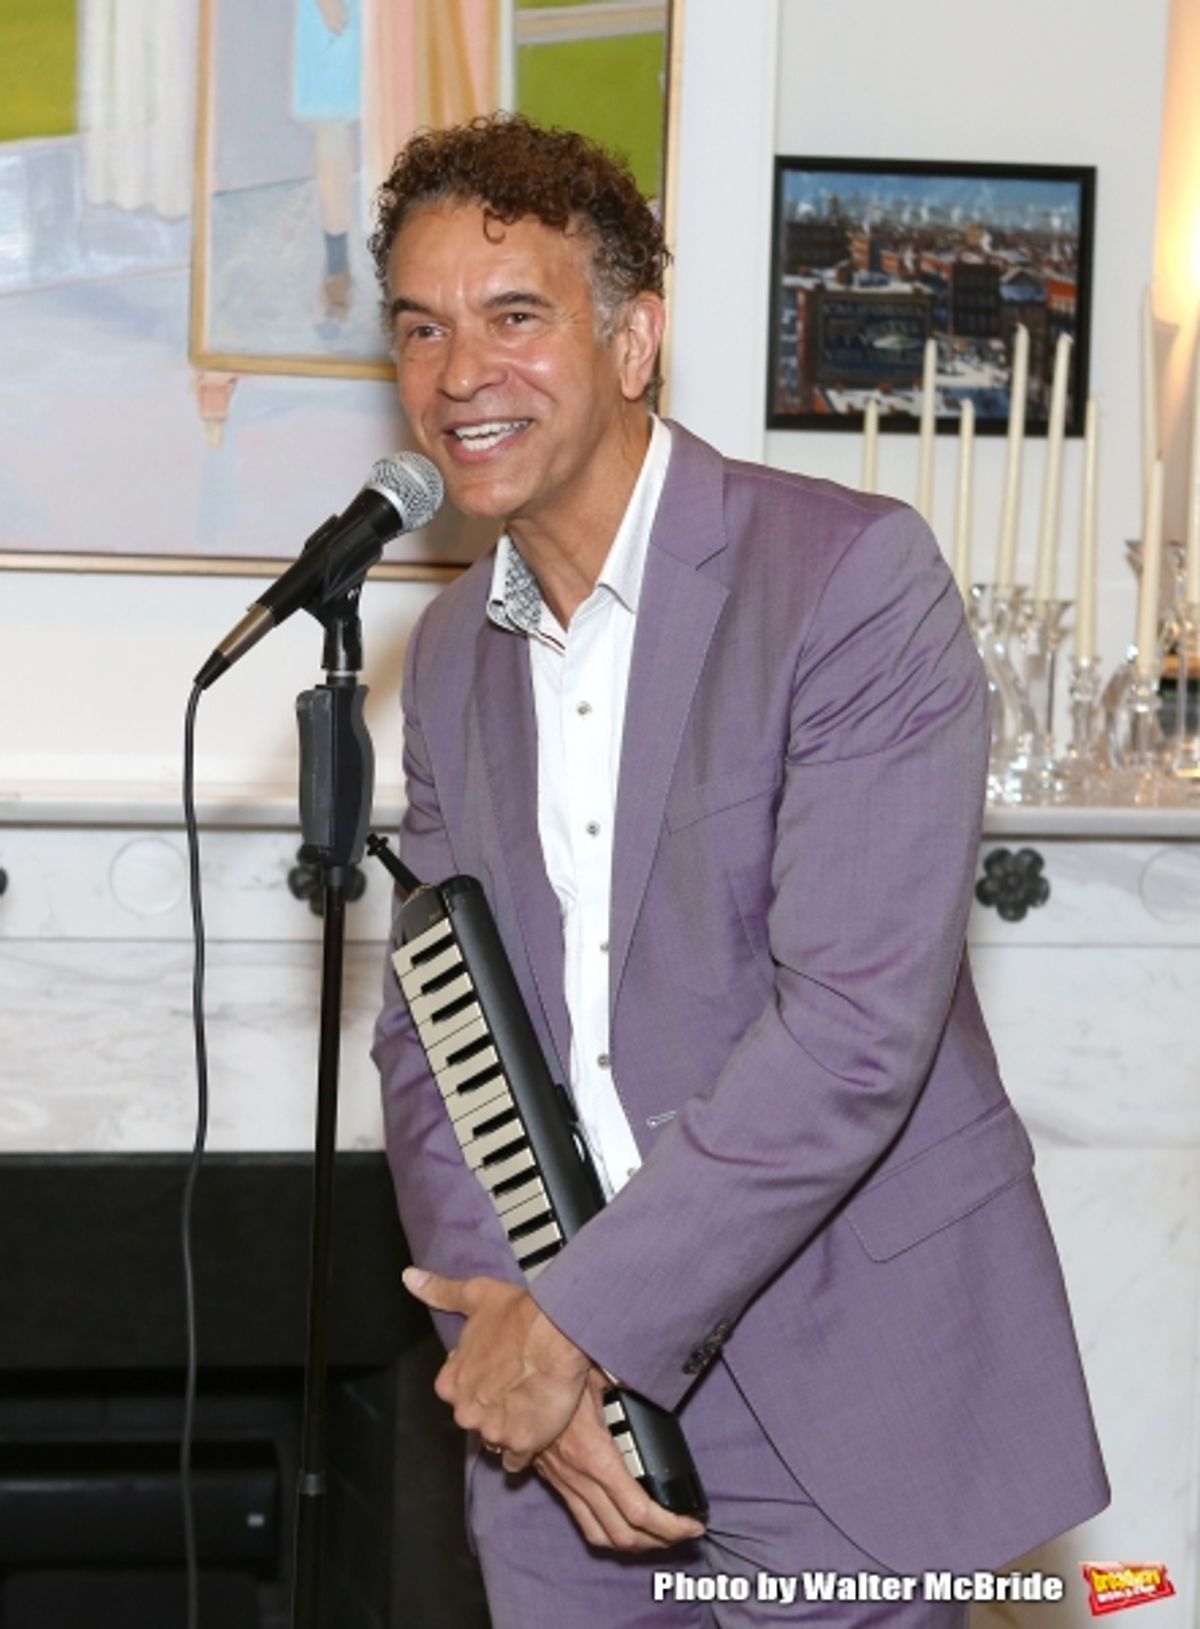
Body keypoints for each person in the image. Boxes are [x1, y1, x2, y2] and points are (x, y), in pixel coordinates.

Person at [370, 114, 1108, 1627]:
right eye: (420, 328)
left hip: (840, 1378)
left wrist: (580, 1318)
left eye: (516, 317)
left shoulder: (850, 578)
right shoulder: (444, 653)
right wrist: (509, 1333)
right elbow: (428, 1030)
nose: (458, 375)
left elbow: (851, 1032)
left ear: (634, 338)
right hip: (557, 1438)